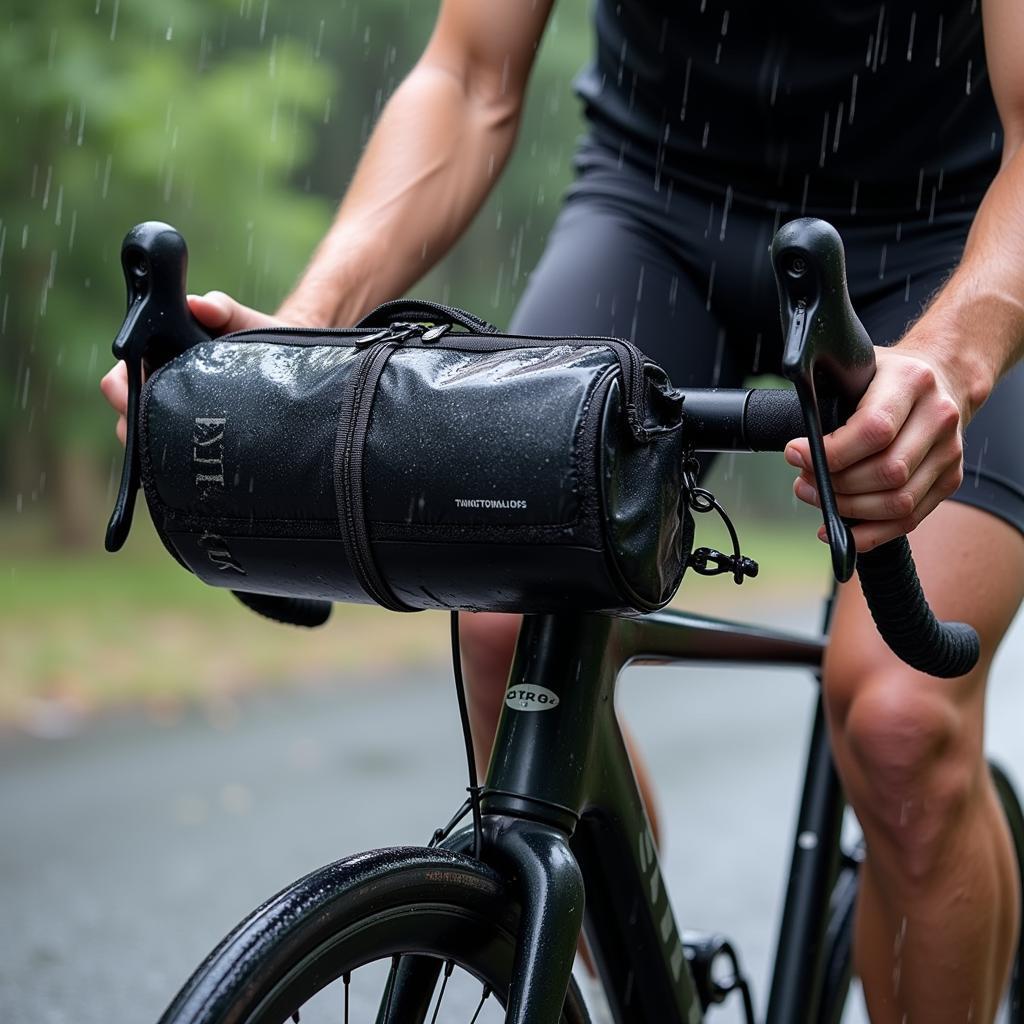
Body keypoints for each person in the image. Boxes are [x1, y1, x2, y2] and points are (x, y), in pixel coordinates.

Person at [103, 2, 1024, 1020]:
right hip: (656, 206)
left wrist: (953, 358)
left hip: (949, 231)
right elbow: (468, 77)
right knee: (498, 621)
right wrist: (304, 332)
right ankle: (638, 978)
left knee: (900, 721)